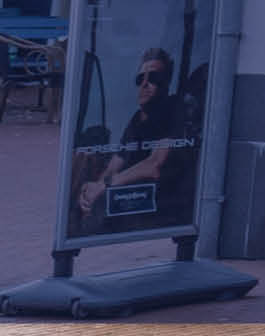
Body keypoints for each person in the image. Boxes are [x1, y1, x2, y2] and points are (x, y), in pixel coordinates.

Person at [73, 43, 197, 229]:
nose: (144, 84)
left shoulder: (174, 111)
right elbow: (115, 164)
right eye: (140, 79)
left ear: (165, 83)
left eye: (153, 78)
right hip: (130, 194)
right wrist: (93, 190)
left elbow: (154, 165)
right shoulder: (136, 120)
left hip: (160, 199)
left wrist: (104, 186)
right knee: (81, 162)